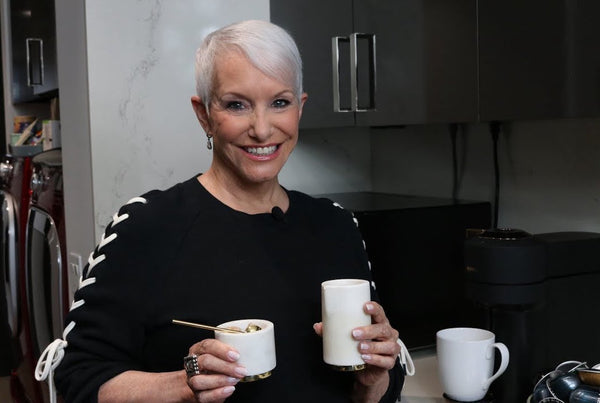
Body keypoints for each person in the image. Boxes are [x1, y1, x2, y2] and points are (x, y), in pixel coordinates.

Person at [39, 20, 407, 402]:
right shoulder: (148, 226)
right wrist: (184, 384)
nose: (262, 129)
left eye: (279, 102)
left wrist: (374, 378)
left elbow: (378, 384)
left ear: (300, 108)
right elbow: (77, 377)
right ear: (204, 115)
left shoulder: (336, 225)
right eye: (237, 105)